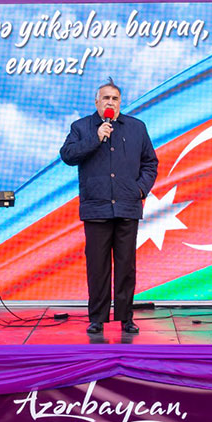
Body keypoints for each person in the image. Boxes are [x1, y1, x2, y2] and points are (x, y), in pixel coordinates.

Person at [60, 78, 158, 334]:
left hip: (127, 207)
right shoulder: (81, 127)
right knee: (97, 267)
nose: (110, 103)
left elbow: (150, 163)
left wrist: (139, 190)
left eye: (115, 98)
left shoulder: (137, 127)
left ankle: (126, 318)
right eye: (106, 98)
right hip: (96, 209)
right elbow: (67, 155)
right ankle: (97, 318)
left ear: (120, 102)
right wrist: (96, 137)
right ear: (97, 102)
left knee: (126, 267)